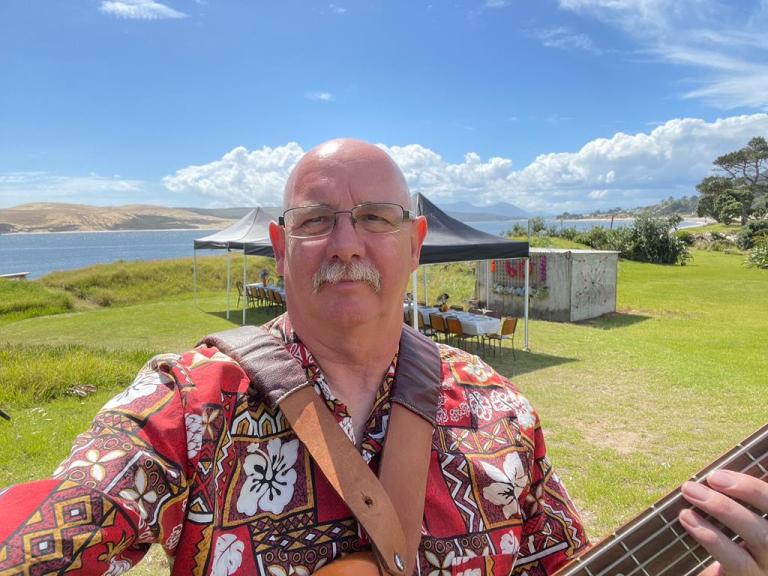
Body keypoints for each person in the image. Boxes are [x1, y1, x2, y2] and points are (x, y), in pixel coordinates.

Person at [0, 139, 764, 576]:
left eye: (374, 217)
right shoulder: (188, 402)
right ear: (279, 245)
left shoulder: (500, 410)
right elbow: (48, 541)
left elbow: (561, 565)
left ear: (415, 243)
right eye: (314, 221)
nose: (345, 243)